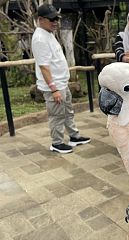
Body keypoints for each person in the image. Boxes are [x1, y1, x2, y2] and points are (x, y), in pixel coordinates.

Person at [31, 4, 90, 154]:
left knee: (68, 111)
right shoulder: (39, 38)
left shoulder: (48, 33)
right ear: (41, 19)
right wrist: (54, 89)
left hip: (62, 84)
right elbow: (44, 67)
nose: (55, 22)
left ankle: (74, 136)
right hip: (55, 87)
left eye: (56, 18)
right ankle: (57, 143)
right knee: (57, 115)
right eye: (52, 19)